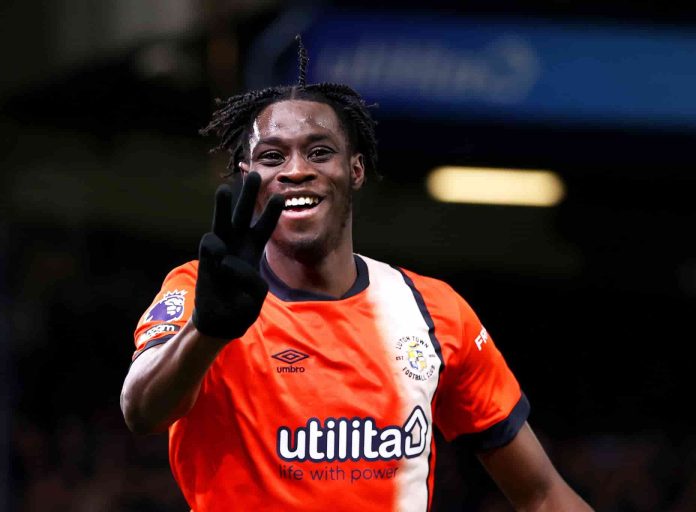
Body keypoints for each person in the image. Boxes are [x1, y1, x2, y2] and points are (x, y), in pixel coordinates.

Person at [120, 37, 594, 511]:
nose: (296, 170)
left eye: (319, 152)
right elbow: (141, 411)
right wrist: (206, 331)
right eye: (272, 157)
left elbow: (542, 494)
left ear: (356, 169)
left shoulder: (434, 311)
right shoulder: (204, 291)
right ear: (248, 177)